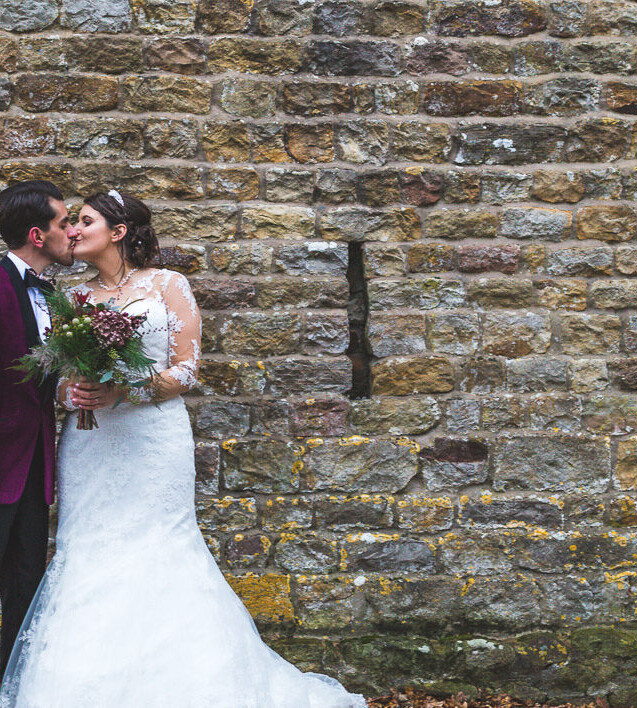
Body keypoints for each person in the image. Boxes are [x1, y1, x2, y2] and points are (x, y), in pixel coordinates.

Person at [0, 190, 366, 708]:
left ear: (119, 231)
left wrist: (126, 389)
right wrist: (72, 392)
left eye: (84, 221)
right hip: (90, 445)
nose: (74, 231)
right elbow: (57, 380)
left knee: (160, 548)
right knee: (87, 554)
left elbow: (187, 370)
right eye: (70, 223)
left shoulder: (169, 286)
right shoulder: (70, 298)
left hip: (152, 442)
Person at [0, 181, 77, 681]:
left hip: (33, 464)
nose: (72, 232)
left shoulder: (52, 295)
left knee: (25, 579)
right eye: (64, 223)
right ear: (37, 234)